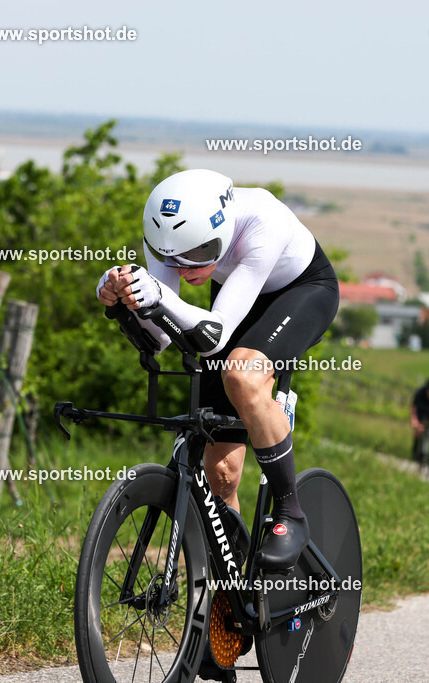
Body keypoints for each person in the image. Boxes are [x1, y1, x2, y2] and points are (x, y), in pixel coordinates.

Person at [96, 169, 338, 575]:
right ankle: (228, 594)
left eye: (200, 253)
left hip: (299, 291)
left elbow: (214, 335)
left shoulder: (262, 221)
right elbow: (161, 337)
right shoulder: (169, 232)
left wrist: (159, 296)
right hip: (233, 297)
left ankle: (290, 512)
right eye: (172, 258)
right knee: (220, 472)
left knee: (242, 374)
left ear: (222, 230)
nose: (185, 267)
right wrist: (123, 300)